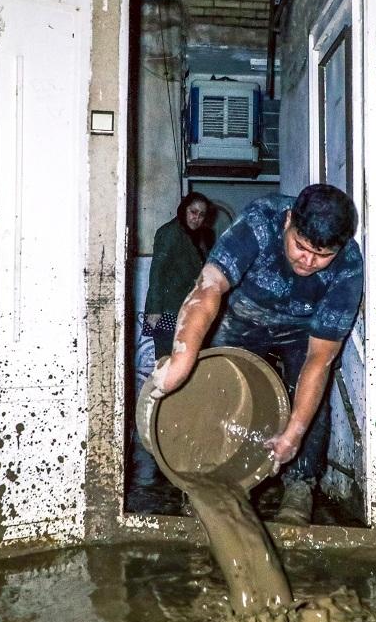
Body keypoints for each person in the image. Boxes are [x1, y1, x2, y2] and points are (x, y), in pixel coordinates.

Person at [150, 184, 363, 525]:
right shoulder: (261, 221)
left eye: (322, 255)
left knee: (310, 401)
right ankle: (210, 483)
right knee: (219, 390)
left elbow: (319, 359)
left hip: (302, 330)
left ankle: (300, 487)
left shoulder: (348, 267)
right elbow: (209, 287)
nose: (308, 261)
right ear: (289, 221)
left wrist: (294, 433)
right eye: (301, 246)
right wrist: (181, 359)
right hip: (241, 318)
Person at [144, 192, 214, 359]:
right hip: (167, 310)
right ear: (184, 210)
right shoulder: (170, 232)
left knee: (184, 362)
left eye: (201, 214)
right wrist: (154, 310)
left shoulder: (196, 237)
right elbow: (157, 271)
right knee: (167, 362)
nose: (196, 218)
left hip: (184, 308)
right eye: (193, 212)